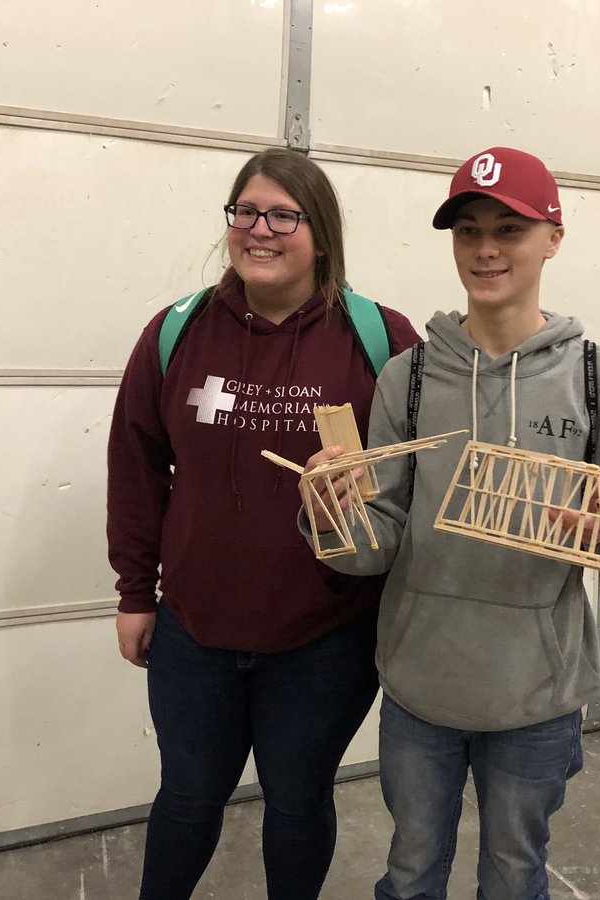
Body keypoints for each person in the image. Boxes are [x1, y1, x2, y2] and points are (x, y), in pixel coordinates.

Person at [301, 147, 600, 900]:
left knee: (514, 873)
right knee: (409, 874)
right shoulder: (410, 375)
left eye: (510, 229)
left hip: (537, 692)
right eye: (468, 231)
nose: (487, 250)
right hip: (420, 686)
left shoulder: (598, 378)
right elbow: (383, 535)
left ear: (553, 238)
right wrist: (332, 519)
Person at [107, 147, 421, 900]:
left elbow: (418, 482)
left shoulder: (381, 339)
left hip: (325, 638)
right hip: (193, 633)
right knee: (186, 797)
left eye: (285, 214)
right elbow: (136, 468)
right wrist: (134, 593)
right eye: (245, 211)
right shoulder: (176, 333)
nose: (261, 229)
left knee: (297, 804)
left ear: (321, 233)